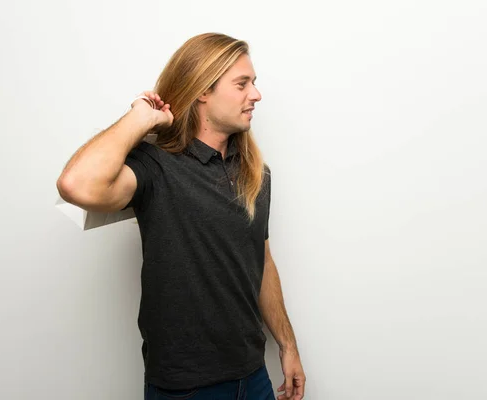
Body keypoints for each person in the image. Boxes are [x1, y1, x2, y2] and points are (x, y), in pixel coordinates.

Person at [56, 32, 306, 400]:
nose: (256, 94)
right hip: (186, 388)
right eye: (242, 84)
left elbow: (262, 262)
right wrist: (140, 118)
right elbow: (76, 184)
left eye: (254, 83)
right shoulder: (157, 166)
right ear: (203, 90)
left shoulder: (256, 174)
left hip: (253, 378)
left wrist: (287, 346)